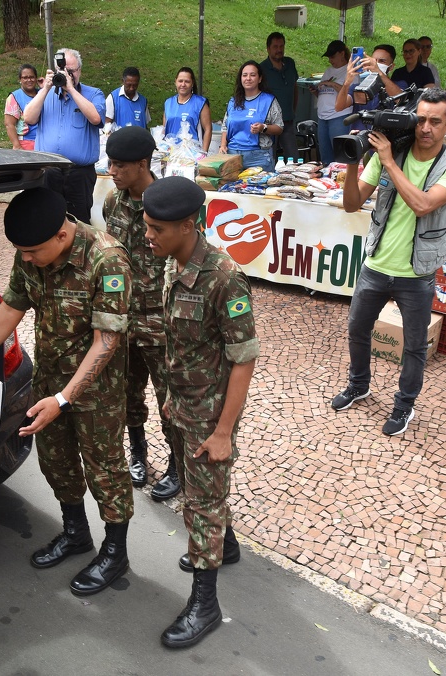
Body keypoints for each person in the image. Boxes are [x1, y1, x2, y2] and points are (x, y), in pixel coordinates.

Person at [0, 187, 134, 597]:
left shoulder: (106, 260)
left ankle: (115, 552)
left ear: (63, 235)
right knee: (56, 461)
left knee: (105, 471)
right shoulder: (32, 250)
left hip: (96, 393)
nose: (25, 258)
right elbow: (11, 307)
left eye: (32, 251)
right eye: (20, 251)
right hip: (48, 384)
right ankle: (76, 533)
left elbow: (105, 342)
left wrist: (64, 399)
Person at [142, 176, 258, 650]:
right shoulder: (176, 261)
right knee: (196, 492)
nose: (148, 236)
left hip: (212, 415)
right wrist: (171, 393)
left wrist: (224, 430)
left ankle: (205, 604)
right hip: (185, 404)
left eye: (156, 229)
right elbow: (182, 341)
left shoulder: (224, 277)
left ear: (188, 225)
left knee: (203, 504)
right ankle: (224, 547)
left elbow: (244, 358)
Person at [332, 88, 446, 436]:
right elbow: (351, 204)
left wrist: (390, 161)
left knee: (413, 347)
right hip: (376, 263)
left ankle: (404, 405)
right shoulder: (386, 154)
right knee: (357, 330)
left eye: (435, 122)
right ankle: (359, 385)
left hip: (417, 272)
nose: (425, 128)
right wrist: (354, 161)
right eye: (420, 119)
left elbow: (424, 204)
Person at [102, 126, 183, 501]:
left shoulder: (166, 203)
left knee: (171, 400)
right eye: (110, 163)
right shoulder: (112, 203)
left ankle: (179, 467)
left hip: (161, 323)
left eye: (120, 165)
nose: (112, 170)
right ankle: (138, 453)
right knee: (128, 394)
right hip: (124, 320)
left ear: (143, 164)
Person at [23, 48, 106, 224]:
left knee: (79, 223)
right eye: (63, 71)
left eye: (71, 71)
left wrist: (71, 88)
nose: (68, 75)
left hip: (79, 173)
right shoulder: (45, 94)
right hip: (49, 171)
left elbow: (96, 118)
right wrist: (45, 88)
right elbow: (28, 118)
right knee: (47, 221)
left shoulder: (94, 94)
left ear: (79, 71)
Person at [220, 60, 283, 172]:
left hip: (259, 157)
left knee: (260, 189)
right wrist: (223, 145)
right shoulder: (233, 101)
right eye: (245, 75)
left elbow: (279, 128)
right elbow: (225, 127)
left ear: (259, 79)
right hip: (233, 155)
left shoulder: (268, 100)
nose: (248, 78)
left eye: (252, 75)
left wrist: (263, 128)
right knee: (231, 189)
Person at [335, 45, 403, 131]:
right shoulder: (358, 86)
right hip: (359, 138)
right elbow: (339, 107)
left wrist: (378, 72)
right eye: (374, 61)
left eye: (382, 61)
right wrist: (347, 83)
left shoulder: (399, 84)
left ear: (391, 66)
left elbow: (401, 99)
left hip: (383, 140)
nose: (375, 64)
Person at [259, 32, 299, 162]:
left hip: (287, 120)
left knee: (294, 159)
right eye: (275, 47)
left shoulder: (290, 63)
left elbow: (295, 87)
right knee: (269, 158)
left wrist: (293, 109)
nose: (279, 50)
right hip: (269, 123)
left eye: (281, 46)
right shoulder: (262, 68)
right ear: (268, 49)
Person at [312, 41, 353, 166]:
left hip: (339, 116)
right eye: (329, 57)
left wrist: (332, 84)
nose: (330, 60)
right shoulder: (328, 70)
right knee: (325, 156)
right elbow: (325, 92)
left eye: (332, 56)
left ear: (342, 54)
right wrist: (316, 91)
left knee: (340, 155)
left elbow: (351, 93)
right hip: (323, 116)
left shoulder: (350, 71)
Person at [163, 67, 212, 152]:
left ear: (192, 83)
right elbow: (164, 128)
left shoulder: (200, 103)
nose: (183, 84)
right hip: (171, 153)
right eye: (180, 81)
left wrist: (204, 153)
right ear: (175, 82)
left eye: (187, 81)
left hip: (192, 153)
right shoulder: (168, 103)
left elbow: (208, 129)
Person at [4, 64, 39, 150]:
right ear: (20, 79)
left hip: (45, 142)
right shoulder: (15, 97)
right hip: (26, 143)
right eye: (25, 78)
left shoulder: (43, 93)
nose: (29, 80)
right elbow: (9, 124)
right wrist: (17, 145)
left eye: (32, 77)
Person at [104, 66, 151, 131]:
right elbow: (107, 124)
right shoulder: (113, 98)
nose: (131, 88)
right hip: (120, 140)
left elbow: (145, 125)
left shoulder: (143, 101)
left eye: (135, 85)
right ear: (123, 81)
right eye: (129, 85)